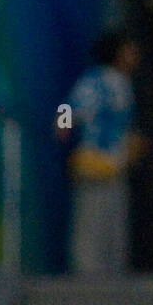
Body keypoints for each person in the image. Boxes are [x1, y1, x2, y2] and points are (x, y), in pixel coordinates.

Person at [59, 30, 143, 275]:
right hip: (94, 165)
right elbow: (68, 110)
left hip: (116, 166)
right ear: (117, 53)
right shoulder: (94, 80)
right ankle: (86, 280)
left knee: (114, 229)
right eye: (131, 49)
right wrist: (64, 129)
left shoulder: (124, 84)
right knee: (90, 227)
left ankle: (112, 279)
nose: (136, 55)